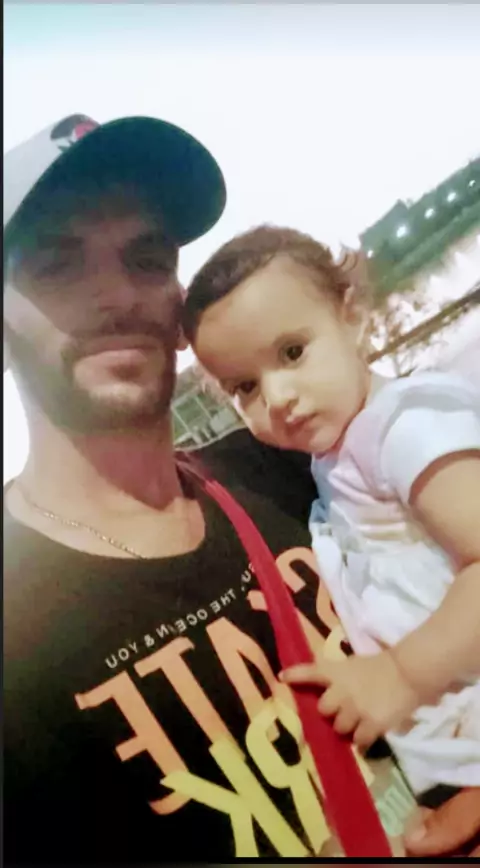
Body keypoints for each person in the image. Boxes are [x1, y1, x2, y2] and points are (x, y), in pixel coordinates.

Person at [2, 114, 477, 864]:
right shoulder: (15, 638)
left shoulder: (298, 464)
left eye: (147, 257)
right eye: (57, 265)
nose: (118, 294)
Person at [183, 224, 480, 800]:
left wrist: (401, 675)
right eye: (245, 387)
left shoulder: (405, 427)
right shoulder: (338, 453)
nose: (277, 398)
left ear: (353, 317)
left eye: (292, 352)